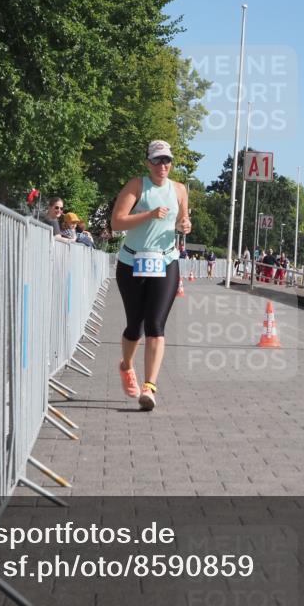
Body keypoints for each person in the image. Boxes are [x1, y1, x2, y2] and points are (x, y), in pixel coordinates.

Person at [111, 139, 191, 411]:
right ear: (148, 163)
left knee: (156, 324)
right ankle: (126, 365)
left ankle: (150, 387)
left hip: (165, 261)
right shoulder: (137, 185)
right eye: (157, 160)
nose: (162, 166)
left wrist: (185, 224)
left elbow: (183, 221)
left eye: (166, 160)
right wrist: (149, 214)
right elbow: (117, 221)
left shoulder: (179, 189)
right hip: (132, 261)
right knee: (135, 325)